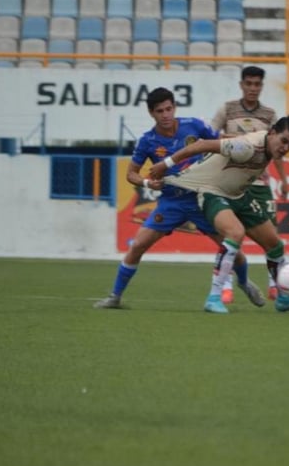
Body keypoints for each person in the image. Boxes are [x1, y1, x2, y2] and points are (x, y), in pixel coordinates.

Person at [94, 87, 265, 310]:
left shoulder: (193, 126)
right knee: (138, 245)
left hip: (202, 198)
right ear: (151, 113)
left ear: (174, 107)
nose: (165, 115)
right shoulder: (147, 141)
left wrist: (248, 144)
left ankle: (243, 282)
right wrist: (147, 183)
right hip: (171, 203)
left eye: (168, 109)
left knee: (233, 247)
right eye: (159, 111)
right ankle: (115, 296)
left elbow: (220, 142)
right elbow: (131, 174)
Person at [147, 115, 289, 314]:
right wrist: (165, 164)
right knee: (235, 233)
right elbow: (200, 146)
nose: (285, 148)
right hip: (213, 193)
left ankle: (285, 299)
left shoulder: (268, 146)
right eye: (284, 141)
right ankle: (213, 298)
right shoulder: (246, 148)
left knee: (275, 244)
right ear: (272, 133)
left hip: (239, 195)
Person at [211, 65, 289, 303]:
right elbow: (210, 136)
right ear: (242, 85)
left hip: (260, 184)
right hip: (231, 184)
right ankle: (225, 284)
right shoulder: (227, 110)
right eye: (249, 83)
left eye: (257, 84)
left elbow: (278, 149)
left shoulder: (269, 115)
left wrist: (284, 180)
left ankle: (275, 283)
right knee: (231, 235)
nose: (253, 88)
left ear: (262, 86)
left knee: (271, 236)